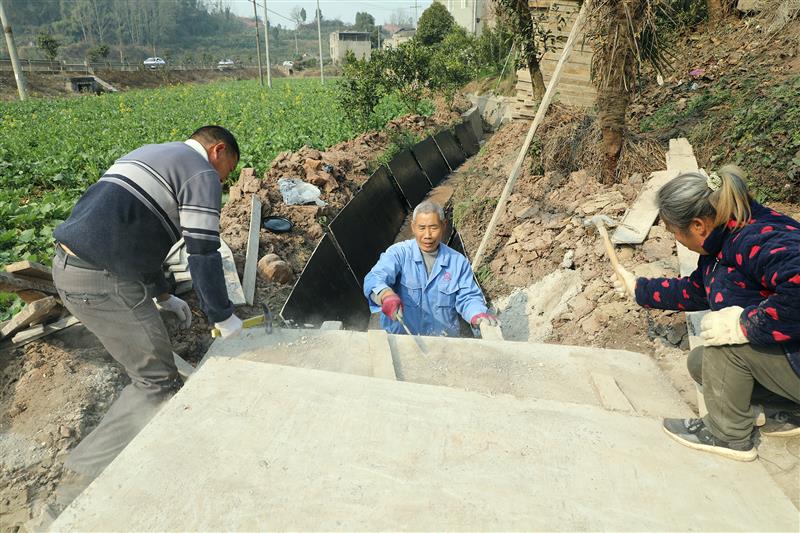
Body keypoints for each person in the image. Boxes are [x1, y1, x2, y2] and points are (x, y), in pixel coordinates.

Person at [51, 125, 245, 484]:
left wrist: (163, 293)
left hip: (68, 268)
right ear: (217, 151)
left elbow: (132, 232)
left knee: (151, 367)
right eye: (228, 170)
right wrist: (223, 315)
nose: (224, 180)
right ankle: (83, 475)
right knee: (156, 380)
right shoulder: (201, 171)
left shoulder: (152, 153)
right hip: (101, 280)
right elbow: (203, 251)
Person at [614, 165, 800, 461]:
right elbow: (696, 291)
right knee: (702, 363)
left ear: (698, 226)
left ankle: (727, 435)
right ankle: (790, 411)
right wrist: (640, 289)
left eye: (675, 232)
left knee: (723, 346)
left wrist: (745, 326)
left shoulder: (757, 238)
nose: (677, 239)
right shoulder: (722, 243)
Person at [363, 200, 497, 337]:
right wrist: (386, 295)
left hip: (444, 343)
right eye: (421, 228)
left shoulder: (457, 262)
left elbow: (468, 297)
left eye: (433, 227)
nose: (427, 235)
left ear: (444, 226)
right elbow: (375, 278)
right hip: (403, 341)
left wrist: (477, 314)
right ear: (413, 227)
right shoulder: (398, 254)